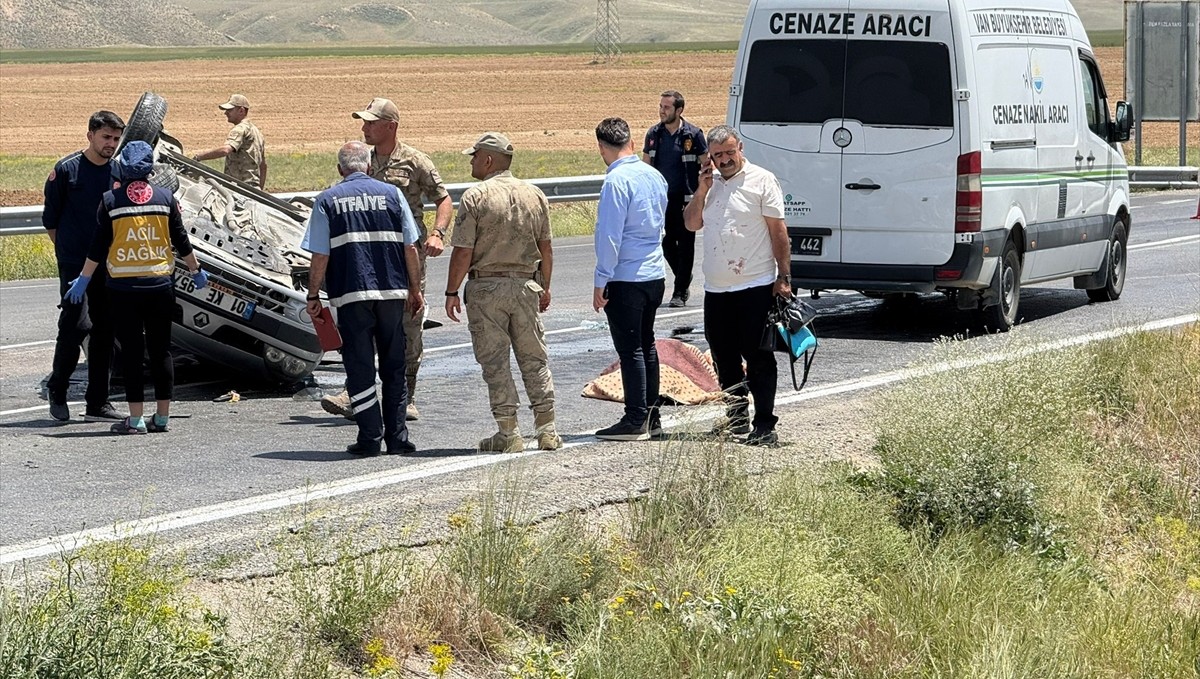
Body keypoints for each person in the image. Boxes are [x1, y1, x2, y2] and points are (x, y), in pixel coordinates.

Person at [322, 97, 452, 422]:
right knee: (362, 320)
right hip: (369, 254)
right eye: (363, 122)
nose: (364, 128)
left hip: (405, 255)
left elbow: (443, 197)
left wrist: (438, 233)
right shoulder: (361, 160)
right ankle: (357, 393)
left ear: (390, 126)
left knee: (408, 324)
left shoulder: (415, 161)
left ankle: (405, 397)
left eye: (370, 122)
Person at [65, 141, 208, 435]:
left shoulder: (110, 200)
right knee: (161, 351)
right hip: (159, 285)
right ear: (149, 169)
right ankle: (163, 418)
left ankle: (136, 419)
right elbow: (181, 240)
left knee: (131, 352)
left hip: (124, 289)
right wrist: (196, 271)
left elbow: (97, 247)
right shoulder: (166, 197)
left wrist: (83, 279)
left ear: (122, 168)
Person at [302, 141, 424, 455]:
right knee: (394, 365)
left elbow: (320, 254)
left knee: (359, 366)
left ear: (340, 169)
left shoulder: (327, 200)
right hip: (392, 293)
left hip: (351, 294)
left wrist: (314, 294)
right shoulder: (393, 195)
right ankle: (397, 439)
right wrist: (415, 289)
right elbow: (410, 247)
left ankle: (370, 438)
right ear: (369, 166)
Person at [444, 132, 562, 453]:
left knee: (495, 361)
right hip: (526, 286)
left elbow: (463, 252)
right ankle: (547, 429)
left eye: (474, 156)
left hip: (486, 288)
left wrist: (452, 290)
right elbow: (546, 248)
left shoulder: (475, 196)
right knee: (534, 358)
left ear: (488, 160)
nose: (471, 161)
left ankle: (508, 432)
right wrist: (545, 286)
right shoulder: (534, 194)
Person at [683, 125, 792, 446]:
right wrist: (702, 189)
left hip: (756, 285)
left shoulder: (762, 180)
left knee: (758, 357)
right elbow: (690, 223)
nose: (725, 160)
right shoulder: (709, 183)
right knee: (723, 356)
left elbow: (779, 233)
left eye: (729, 152)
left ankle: (764, 424)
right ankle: (737, 417)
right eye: (717, 155)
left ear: (740, 147)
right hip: (717, 289)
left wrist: (783, 278)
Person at [42, 110, 126, 423]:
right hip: (75, 265)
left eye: (116, 139)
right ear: (90, 135)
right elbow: (51, 219)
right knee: (76, 326)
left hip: (108, 265)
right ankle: (58, 390)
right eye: (106, 137)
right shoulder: (67, 170)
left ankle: (98, 403)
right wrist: (69, 253)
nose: (111, 144)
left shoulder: (119, 172)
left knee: (106, 332)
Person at [592, 117, 669, 441]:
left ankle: (635, 417)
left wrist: (601, 280)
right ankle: (652, 416)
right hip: (654, 272)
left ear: (601, 148)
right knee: (646, 345)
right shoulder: (654, 176)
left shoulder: (616, 182)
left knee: (631, 349)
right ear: (631, 143)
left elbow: (610, 236)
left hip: (627, 276)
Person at [643, 90, 706, 308]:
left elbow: (707, 164)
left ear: (679, 110)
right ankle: (682, 274)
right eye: (661, 106)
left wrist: (702, 193)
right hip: (663, 200)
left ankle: (680, 292)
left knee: (687, 244)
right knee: (666, 241)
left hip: (688, 199)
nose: (662, 111)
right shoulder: (653, 134)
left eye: (667, 107)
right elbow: (646, 167)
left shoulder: (693, 135)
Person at [192, 94, 267, 189]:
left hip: (239, 188)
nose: (226, 113)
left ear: (241, 111)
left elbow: (225, 150)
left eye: (230, 110)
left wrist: (199, 156)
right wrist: (259, 191)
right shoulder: (257, 133)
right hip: (252, 188)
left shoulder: (240, 129)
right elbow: (263, 166)